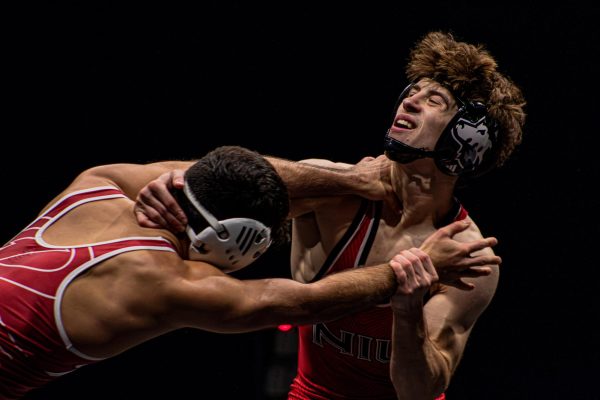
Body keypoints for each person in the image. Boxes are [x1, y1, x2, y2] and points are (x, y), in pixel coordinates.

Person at [135, 31, 526, 399]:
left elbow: (419, 392)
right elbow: (232, 182)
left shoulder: (467, 256)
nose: (409, 102)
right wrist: (181, 180)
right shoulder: (339, 193)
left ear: (468, 139)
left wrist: (407, 312)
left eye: (434, 100)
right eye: (413, 92)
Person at [0, 146, 499, 399]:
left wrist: (350, 178)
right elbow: (301, 303)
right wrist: (413, 270)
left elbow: (203, 170)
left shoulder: (100, 184)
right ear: (235, 241)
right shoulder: (159, 282)